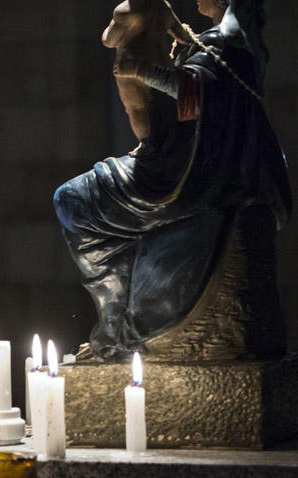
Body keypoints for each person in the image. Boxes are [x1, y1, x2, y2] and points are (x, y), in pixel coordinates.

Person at [54, 0, 292, 361]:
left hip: (190, 172)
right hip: (188, 159)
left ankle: (115, 328)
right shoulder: (223, 41)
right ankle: (118, 325)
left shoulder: (230, 43)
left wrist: (141, 70)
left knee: (73, 201)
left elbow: (199, 93)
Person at [102, 0, 188, 155]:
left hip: (131, 67)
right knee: (163, 104)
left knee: (137, 107)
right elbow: (182, 35)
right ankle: (165, 143)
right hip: (161, 65)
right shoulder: (163, 6)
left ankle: (147, 144)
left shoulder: (125, 11)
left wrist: (108, 30)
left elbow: (109, 41)